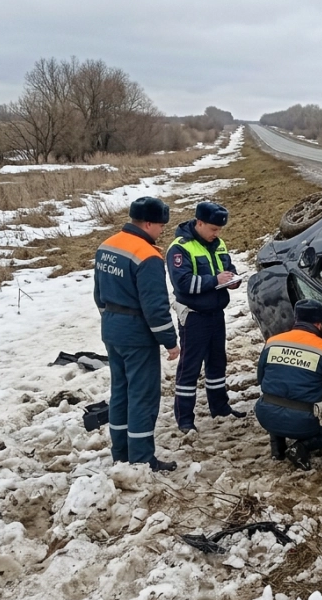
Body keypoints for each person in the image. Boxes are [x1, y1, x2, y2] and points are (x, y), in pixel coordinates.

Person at [93, 197, 181, 472]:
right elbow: (155, 307)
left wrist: (110, 319)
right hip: (136, 334)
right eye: (160, 226)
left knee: (120, 392)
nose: (162, 231)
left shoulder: (107, 245)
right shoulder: (148, 256)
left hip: (111, 327)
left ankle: (120, 452)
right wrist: (170, 341)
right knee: (143, 396)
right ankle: (142, 459)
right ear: (148, 223)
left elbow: (98, 293)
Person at [166, 201, 244, 432]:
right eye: (213, 229)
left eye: (219, 230)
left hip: (216, 313)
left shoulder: (218, 244)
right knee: (190, 367)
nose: (216, 234)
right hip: (194, 316)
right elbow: (182, 283)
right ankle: (185, 419)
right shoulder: (180, 248)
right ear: (199, 223)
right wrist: (215, 281)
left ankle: (220, 407)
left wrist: (233, 280)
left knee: (217, 363)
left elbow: (228, 268)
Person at [255, 299, 322, 470]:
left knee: (278, 396)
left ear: (296, 319)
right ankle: (302, 447)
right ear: (319, 324)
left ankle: (277, 448)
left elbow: (261, 378)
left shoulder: (273, 342)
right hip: (302, 422)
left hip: (265, 415)